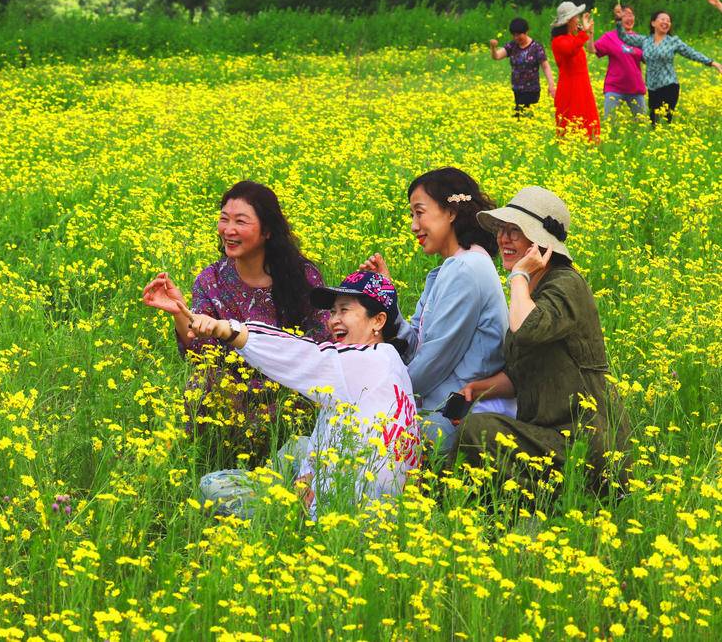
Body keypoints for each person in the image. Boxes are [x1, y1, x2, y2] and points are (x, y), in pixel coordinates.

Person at [149, 270, 420, 520]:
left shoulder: (357, 362)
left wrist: (229, 330)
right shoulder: (390, 360)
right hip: (384, 505)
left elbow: (300, 353)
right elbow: (329, 425)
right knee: (299, 446)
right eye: (333, 311)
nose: (333, 319)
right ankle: (290, 488)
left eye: (345, 310)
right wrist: (306, 475)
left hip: (343, 515)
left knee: (213, 485)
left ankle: (282, 515)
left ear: (378, 320)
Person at [453, 187, 631, 497]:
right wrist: (477, 389)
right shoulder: (534, 292)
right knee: (474, 429)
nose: (503, 239)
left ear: (540, 243)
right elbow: (523, 371)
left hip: (584, 442)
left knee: (478, 432)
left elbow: (527, 329)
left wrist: (519, 275)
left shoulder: (566, 283)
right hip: (551, 434)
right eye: (501, 230)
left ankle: (537, 513)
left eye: (514, 231)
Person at [142, 180, 329, 461]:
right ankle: (203, 459)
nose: (228, 230)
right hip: (233, 394)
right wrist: (180, 312)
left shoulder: (302, 278)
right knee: (202, 381)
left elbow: (323, 345)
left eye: (240, 221)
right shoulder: (212, 280)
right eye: (224, 219)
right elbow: (199, 353)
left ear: (267, 230)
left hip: (288, 391)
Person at [360, 168, 510, 456]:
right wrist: (387, 299)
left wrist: (379, 394)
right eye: (412, 215)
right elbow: (417, 344)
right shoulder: (447, 270)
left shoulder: (468, 269)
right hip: (434, 409)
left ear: (451, 212)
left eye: (420, 213)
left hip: (451, 417)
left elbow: (434, 360)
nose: (414, 226)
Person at [614, 9, 722, 125]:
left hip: (669, 85)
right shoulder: (645, 41)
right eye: (662, 19)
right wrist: (619, 20)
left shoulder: (673, 42)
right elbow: (623, 37)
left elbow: (691, 53)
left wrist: (712, 63)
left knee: (665, 121)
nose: (666, 22)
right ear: (653, 23)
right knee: (654, 122)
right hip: (652, 87)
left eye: (668, 21)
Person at [550, 2, 601, 141]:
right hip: (570, 89)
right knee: (572, 123)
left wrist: (589, 31)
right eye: (576, 17)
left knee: (588, 121)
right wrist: (583, 31)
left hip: (583, 87)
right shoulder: (558, 41)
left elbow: (587, 47)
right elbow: (570, 49)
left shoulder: (574, 37)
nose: (578, 20)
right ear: (568, 20)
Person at [488, 18, 556, 116]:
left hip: (531, 90)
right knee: (521, 118)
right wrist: (493, 47)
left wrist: (551, 84)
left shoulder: (536, 47)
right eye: (514, 35)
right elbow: (497, 56)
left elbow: (545, 66)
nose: (516, 38)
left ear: (526, 32)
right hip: (517, 90)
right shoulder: (512, 46)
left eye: (519, 34)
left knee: (524, 117)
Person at [594, 5, 646, 118]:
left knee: (642, 125)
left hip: (635, 87)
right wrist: (588, 34)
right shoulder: (610, 37)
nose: (629, 18)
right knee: (610, 122)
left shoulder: (639, 39)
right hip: (614, 87)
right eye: (625, 15)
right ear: (618, 17)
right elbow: (593, 50)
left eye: (631, 15)